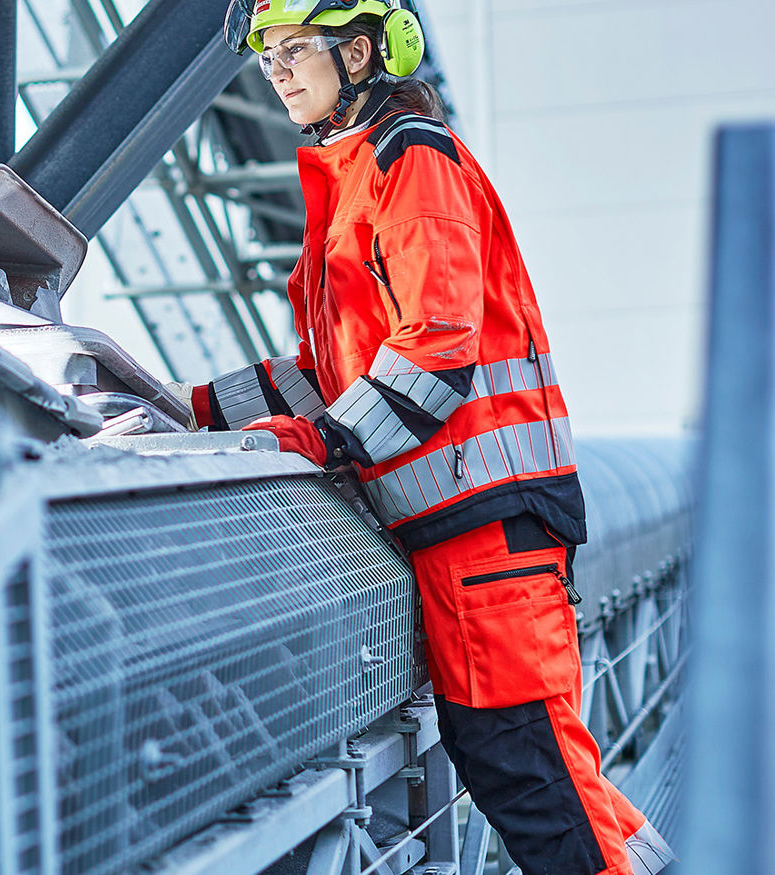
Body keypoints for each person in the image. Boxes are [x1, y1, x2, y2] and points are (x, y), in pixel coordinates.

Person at [192, 2, 677, 872]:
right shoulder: (351, 179)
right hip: (457, 527)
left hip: (489, 527)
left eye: (296, 49)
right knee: (533, 768)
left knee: (532, 770)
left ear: (363, 50)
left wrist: (331, 446)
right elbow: (327, 373)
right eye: (269, 56)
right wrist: (180, 407)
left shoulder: (409, 158)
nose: (279, 71)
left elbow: (437, 344)